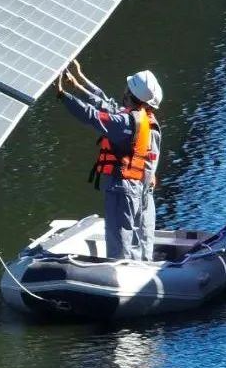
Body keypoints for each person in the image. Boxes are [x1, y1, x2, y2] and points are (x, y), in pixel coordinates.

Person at [58, 60, 163, 261]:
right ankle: (142, 273)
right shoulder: (146, 120)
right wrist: (80, 82)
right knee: (142, 240)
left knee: (120, 243)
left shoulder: (125, 123)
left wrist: (62, 95)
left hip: (122, 189)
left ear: (130, 93)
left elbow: (92, 115)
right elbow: (106, 103)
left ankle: (121, 280)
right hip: (143, 191)